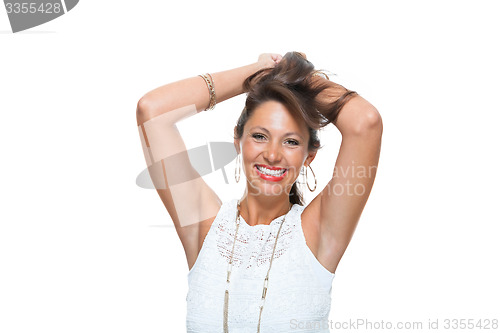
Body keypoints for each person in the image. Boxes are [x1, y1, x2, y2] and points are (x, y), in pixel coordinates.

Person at [136, 52, 383, 332]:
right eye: (259, 136)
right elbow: (152, 111)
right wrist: (257, 75)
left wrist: (295, 75)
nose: (273, 154)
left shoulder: (321, 231)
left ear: (309, 156)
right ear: (238, 140)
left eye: (290, 141)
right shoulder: (203, 227)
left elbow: (365, 122)